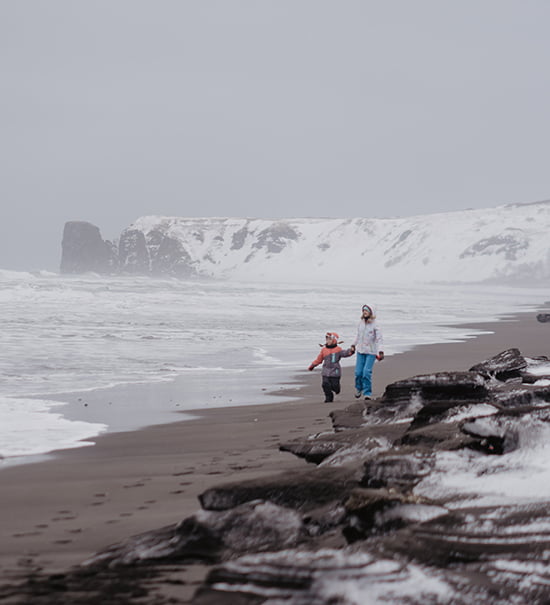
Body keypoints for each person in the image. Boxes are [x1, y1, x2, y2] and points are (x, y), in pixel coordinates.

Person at [308, 332, 355, 403]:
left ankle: (337, 389)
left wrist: (351, 351)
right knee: (325, 384)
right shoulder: (324, 350)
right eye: (327, 339)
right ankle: (328, 397)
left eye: (329, 339)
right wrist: (312, 366)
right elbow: (319, 359)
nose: (328, 341)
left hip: (335, 372)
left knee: (335, 386)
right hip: (325, 372)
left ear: (334, 340)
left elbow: (345, 353)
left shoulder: (338, 349)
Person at [352, 304, 384, 401]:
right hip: (360, 351)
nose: (364, 312)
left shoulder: (375, 325)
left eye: (366, 310)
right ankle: (358, 388)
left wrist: (381, 351)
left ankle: (367, 393)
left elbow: (379, 339)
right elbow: (358, 336)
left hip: (371, 352)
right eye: (363, 310)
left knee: (366, 372)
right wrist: (353, 344)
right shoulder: (360, 323)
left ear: (371, 312)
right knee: (358, 372)